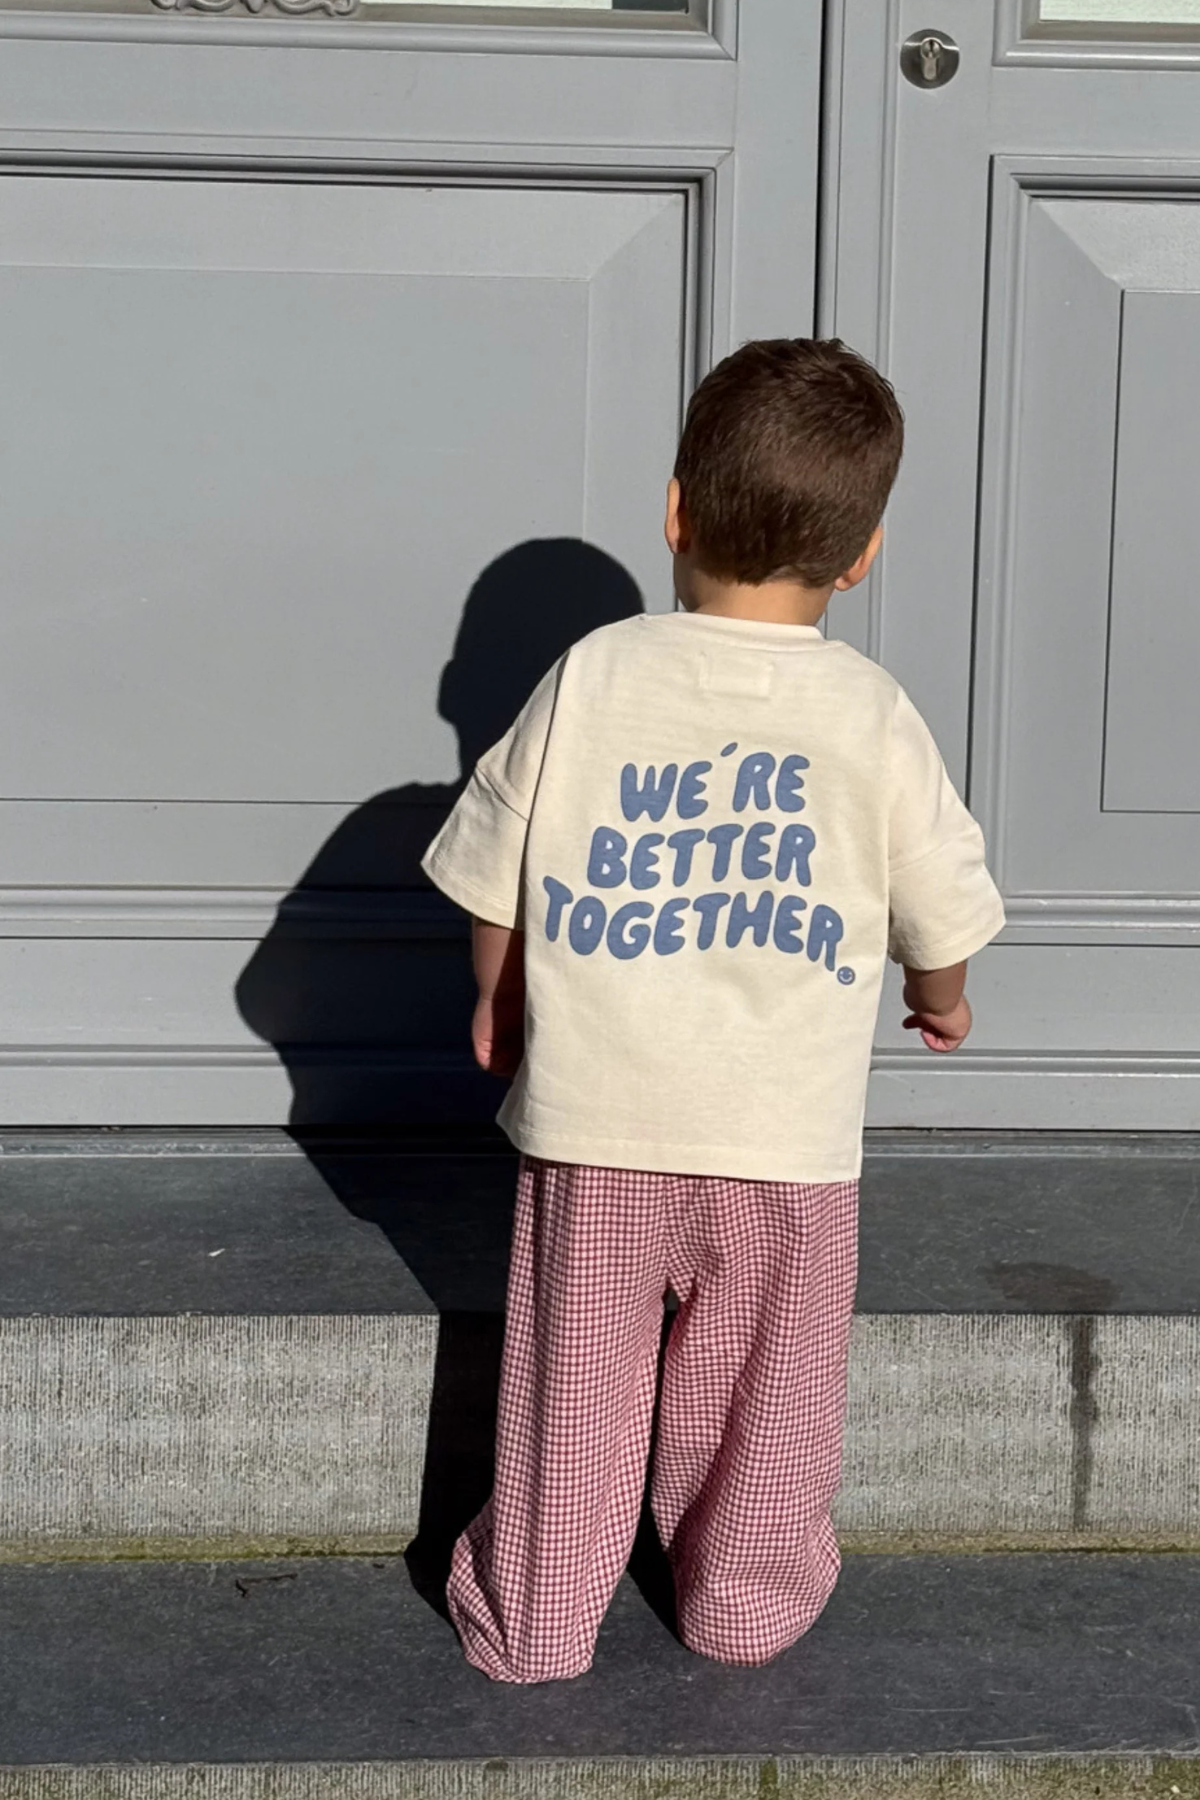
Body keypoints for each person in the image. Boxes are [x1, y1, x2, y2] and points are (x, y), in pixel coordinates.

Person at [421, 337, 1005, 1683]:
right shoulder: (870, 713)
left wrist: (497, 1001)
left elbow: (496, 868)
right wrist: (944, 1001)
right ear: (863, 557)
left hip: (600, 1124)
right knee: (768, 1393)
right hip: (785, 1145)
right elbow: (943, 896)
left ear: (674, 511)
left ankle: (538, 1619)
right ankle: (742, 1603)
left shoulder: (594, 677)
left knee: (575, 1388)